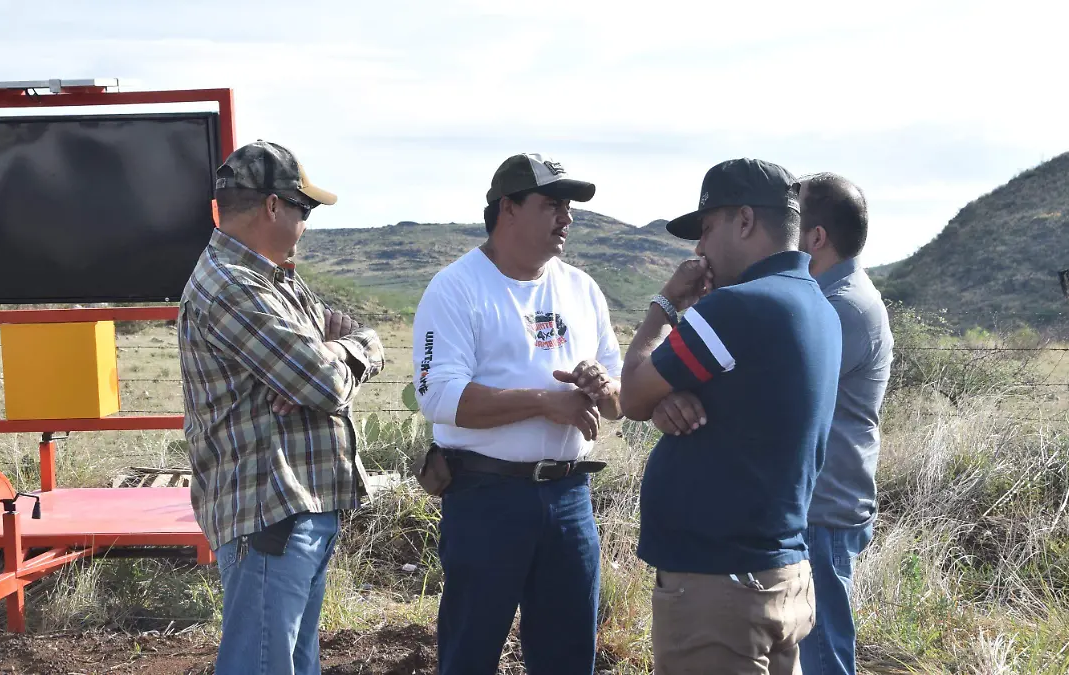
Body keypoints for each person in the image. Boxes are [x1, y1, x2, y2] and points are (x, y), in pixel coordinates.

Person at [618, 158, 842, 674]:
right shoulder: (816, 305)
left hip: (720, 590)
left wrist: (665, 304)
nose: (699, 248)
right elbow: (735, 408)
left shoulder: (738, 309)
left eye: (706, 228)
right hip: (779, 575)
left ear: (743, 221)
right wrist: (666, 400)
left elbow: (631, 395)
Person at [177, 140, 386, 675]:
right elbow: (325, 381)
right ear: (273, 205)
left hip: (293, 510)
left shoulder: (274, 279)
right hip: (271, 516)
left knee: (289, 661)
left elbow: (350, 343)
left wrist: (344, 348)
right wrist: (337, 356)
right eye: (304, 208)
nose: (306, 223)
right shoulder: (232, 285)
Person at [411, 152, 624, 674]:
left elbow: (622, 398)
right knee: (470, 653)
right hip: (488, 498)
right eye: (552, 204)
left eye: (568, 207)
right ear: (507, 208)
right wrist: (546, 403)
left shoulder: (581, 288)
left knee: (568, 657)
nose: (566, 218)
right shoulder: (456, 288)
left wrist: (601, 385)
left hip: (570, 498)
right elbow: (439, 397)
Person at [792, 172, 893, 675]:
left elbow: (781, 397)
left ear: (816, 238)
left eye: (792, 221)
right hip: (819, 507)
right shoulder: (830, 299)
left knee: (823, 655)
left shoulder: (841, 309)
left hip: (825, 513)